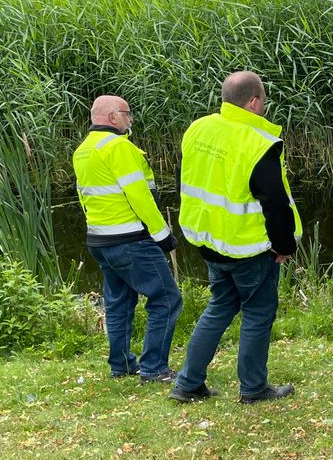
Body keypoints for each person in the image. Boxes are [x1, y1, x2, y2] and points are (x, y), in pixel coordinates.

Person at [170, 71, 302, 405]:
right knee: (258, 312)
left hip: (210, 240)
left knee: (220, 306)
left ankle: (187, 384)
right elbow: (275, 202)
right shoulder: (258, 143)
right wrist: (285, 246)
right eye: (264, 100)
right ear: (255, 101)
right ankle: (254, 388)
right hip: (247, 247)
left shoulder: (198, 129)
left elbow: (187, 179)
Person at [72, 95, 182, 382]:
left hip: (100, 240)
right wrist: (162, 234)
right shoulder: (118, 146)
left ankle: (121, 365)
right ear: (112, 117)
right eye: (127, 114)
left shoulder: (83, 150)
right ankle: (154, 367)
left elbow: (85, 197)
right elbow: (139, 195)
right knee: (167, 297)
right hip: (130, 239)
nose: (130, 119)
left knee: (119, 302)